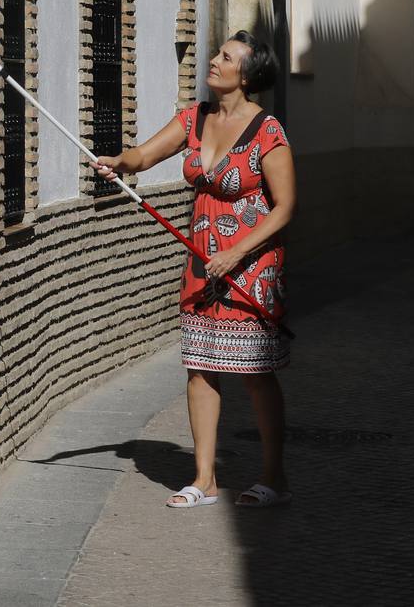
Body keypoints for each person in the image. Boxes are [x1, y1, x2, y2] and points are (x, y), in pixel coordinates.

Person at [91, 30, 296, 508]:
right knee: (201, 367)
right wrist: (120, 161)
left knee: (255, 371)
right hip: (202, 261)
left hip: (251, 266)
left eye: (226, 57)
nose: (213, 60)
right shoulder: (193, 118)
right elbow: (144, 155)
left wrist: (238, 253)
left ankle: (274, 477)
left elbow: (285, 207)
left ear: (246, 74)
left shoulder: (268, 131)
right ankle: (204, 479)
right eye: (217, 53)